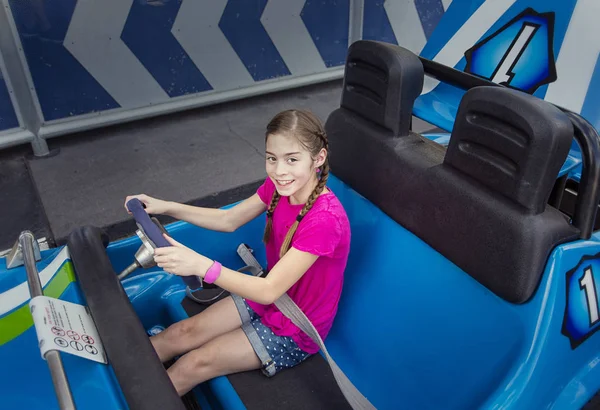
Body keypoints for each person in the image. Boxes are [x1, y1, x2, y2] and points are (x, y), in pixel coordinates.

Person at [124, 109, 351, 396]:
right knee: (180, 333)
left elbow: (268, 290)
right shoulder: (279, 188)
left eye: (292, 159)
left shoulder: (325, 220)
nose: (280, 170)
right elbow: (228, 220)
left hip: (294, 328)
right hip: (271, 296)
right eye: (272, 158)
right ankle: (113, 391)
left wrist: (201, 265)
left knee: (194, 362)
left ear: (318, 158)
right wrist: (166, 206)